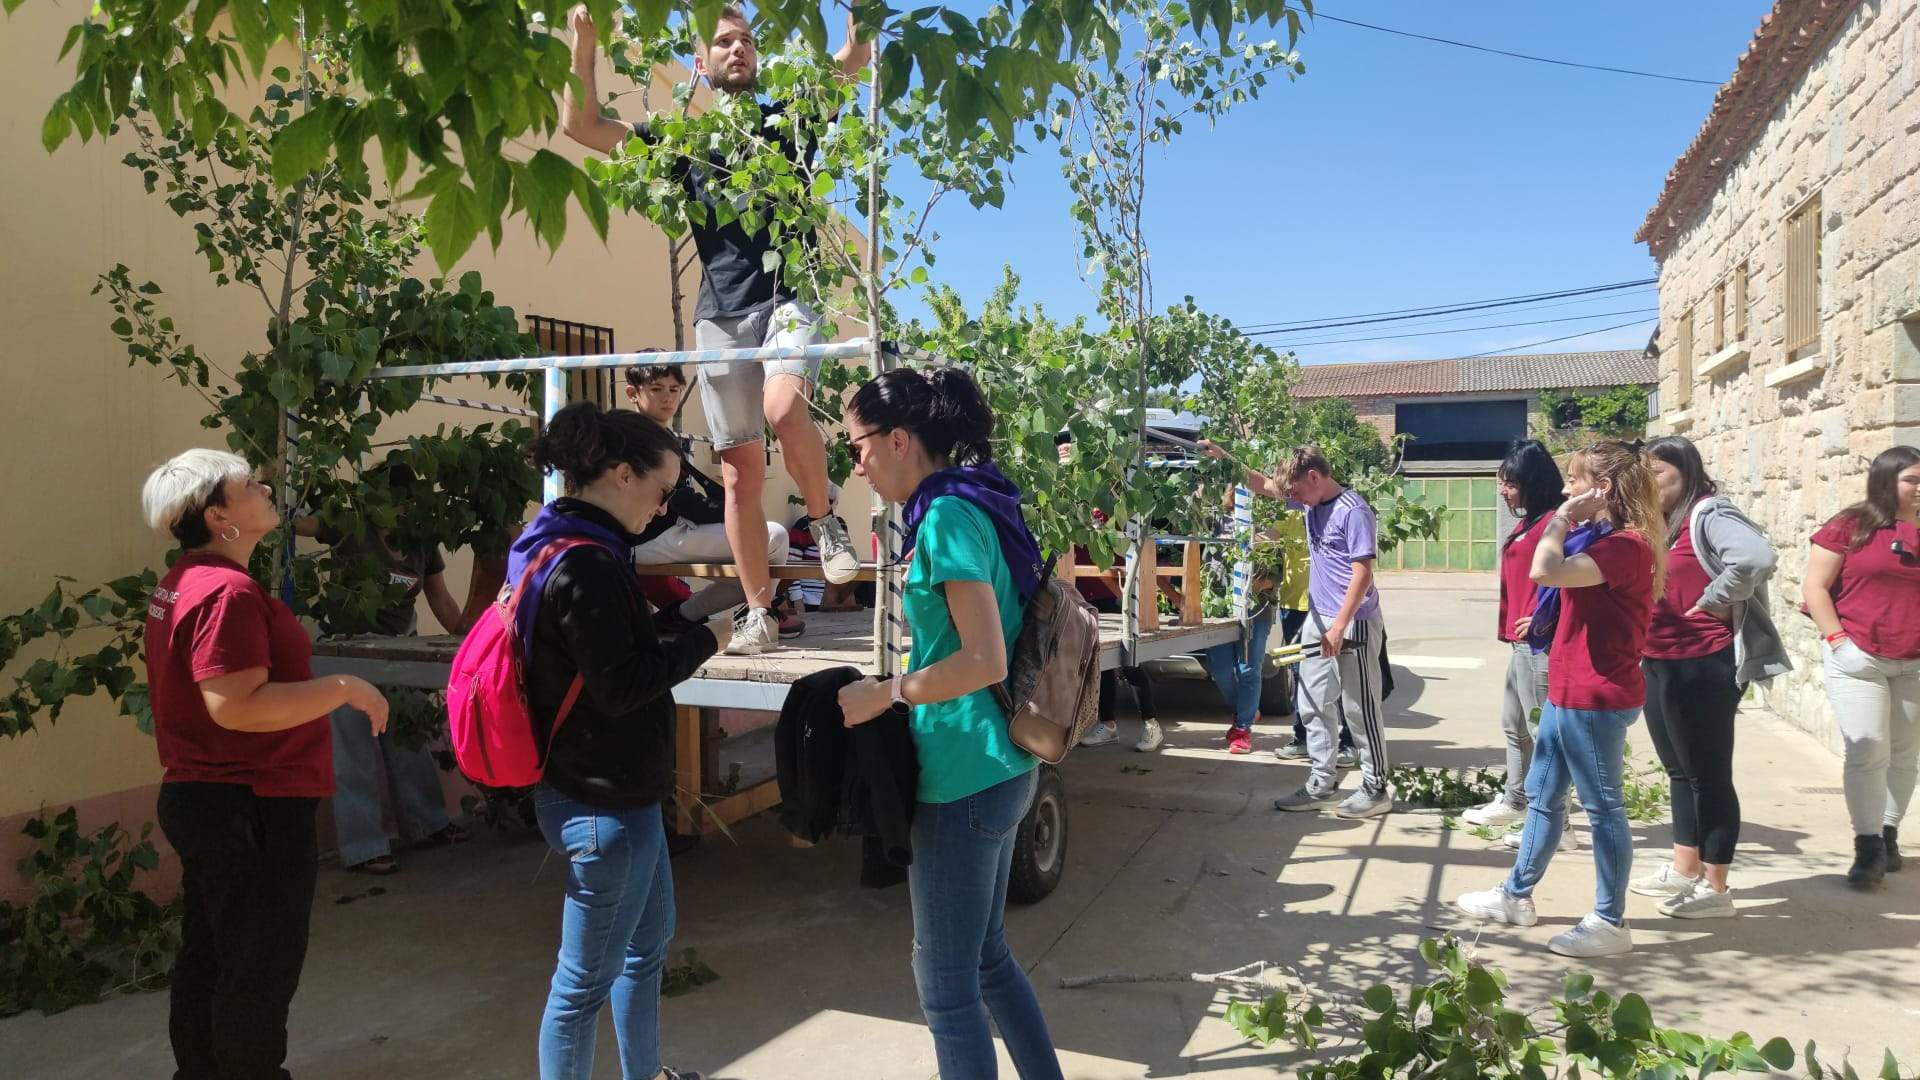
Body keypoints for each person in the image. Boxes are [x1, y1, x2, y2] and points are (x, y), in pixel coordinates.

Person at [562, 3, 868, 654]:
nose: (739, 49)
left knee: (784, 407)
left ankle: (826, 523)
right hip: (722, 310)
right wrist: (583, 45)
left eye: (747, 41)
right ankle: (759, 611)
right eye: (724, 41)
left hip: (788, 294)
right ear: (701, 63)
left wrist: (860, 20)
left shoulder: (789, 120)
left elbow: (853, 61)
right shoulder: (686, 141)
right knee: (739, 473)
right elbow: (582, 127)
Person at [835, 368, 1063, 1079]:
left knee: (946, 989)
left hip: (965, 773)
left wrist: (889, 693)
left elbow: (985, 659)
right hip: (1001, 763)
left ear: (897, 439)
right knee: (988, 957)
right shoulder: (977, 500)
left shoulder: (945, 519)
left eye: (857, 447)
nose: (858, 464)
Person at [140, 448, 392, 1079]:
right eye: (247, 484)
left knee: (213, 956)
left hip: (214, 798)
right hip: (247, 803)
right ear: (218, 513)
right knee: (257, 968)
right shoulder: (224, 591)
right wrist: (345, 689)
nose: (263, 488)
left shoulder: (184, 579)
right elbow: (236, 707)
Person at [517, 402, 734, 1080]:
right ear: (619, 474)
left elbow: (614, 646)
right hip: (600, 803)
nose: (666, 509)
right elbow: (621, 684)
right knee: (581, 987)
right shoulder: (589, 566)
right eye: (661, 490)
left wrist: (694, 609)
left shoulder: (555, 542)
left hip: (613, 797)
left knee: (645, 952)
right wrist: (710, 639)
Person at [1456, 440, 1665, 958]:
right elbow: (1565, 591)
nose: (1566, 489)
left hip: (1595, 696)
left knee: (1603, 809)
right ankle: (1515, 896)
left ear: (1603, 490)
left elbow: (1544, 570)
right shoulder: (1605, 536)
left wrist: (1559, 520)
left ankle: (1610, 922)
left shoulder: (1624, 546)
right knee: (1543, 797)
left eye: (1575, 481)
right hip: (1569, 691)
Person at [1626, 436, 1789, 917]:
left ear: (1685, 469)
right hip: (1659, 660)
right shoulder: (1663, 522)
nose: (1651, 482)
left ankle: (1716, 888)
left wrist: (1711, 600)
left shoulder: (1709, 512)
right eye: (1645, 474)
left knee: (1709, 776)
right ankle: (1684, 867)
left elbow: (1756, 559)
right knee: (1679, 770)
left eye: (1659, 472)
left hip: (1703, 663)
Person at [292, 465, 469, 875]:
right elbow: (298, 523)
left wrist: (468, 643)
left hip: (400, 648)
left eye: (409, 503)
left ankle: (427, 823)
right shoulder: (351, 525)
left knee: (409, 735)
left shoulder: (422, 538)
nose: (403, 510)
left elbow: (441, 600)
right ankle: (363, 845)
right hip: (347, 650)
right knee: (352, 747)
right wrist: (279, 489)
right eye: (394, 502)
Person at [1203, 441, 1393, 818]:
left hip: (1353, 620)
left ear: (1315, 476)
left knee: (1359, 707)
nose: (1290, 498)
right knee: (1312, 701)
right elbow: (1265, 485)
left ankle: (1375, 788)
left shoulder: (1353, 511)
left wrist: (1339, 626)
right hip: (1319, 618)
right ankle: (1322, 782)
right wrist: (1225, 458)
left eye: (1295, 490)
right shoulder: (1309, 499)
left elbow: (1363, 573)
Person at [1802, 444, 1920, 889]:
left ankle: (1889, 833)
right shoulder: (1850, 526)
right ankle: (1867, 846)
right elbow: (1815, 586)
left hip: (1915, 662)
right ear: (1886, 481)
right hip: (1860, 658)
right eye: (1912, 479)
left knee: (1905, 754)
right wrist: (1838, 641)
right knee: (1868, 748)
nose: (1919, 488)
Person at [622, 361, 800, 647]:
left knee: (758, 556)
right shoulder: (634, 437)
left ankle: (686, 615)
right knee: (772, 538)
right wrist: (737, 515)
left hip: (669, 533)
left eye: (674, 389)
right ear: (633, 393)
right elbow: (681, 502)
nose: (667, 397)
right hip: (648, 539)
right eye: (656, 389)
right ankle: (758, 612)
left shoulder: (657, 435)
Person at [1461, 441, 1562, 832]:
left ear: (1532, 483)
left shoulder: (1555, 523)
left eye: (1510, 483)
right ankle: (1517, 798)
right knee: (1513, 724)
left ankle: (1554, 822)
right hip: (1521, 643)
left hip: (1539, 645)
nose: (1503, 490)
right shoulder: (1529, 522)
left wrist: (1545, 617)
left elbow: (1572, 580)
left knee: (1542, 733)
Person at [1058, 436, 1163, 753]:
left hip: (1109, 588)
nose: (1066, 467)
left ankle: (1151, 723)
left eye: (1069, 460)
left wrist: (1089, 524)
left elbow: (1114, 533)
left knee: (1128, 659)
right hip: (1080, 591)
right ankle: (1108, 723)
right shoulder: (1062, 499)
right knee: (1099, 662)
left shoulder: (1105, 497)